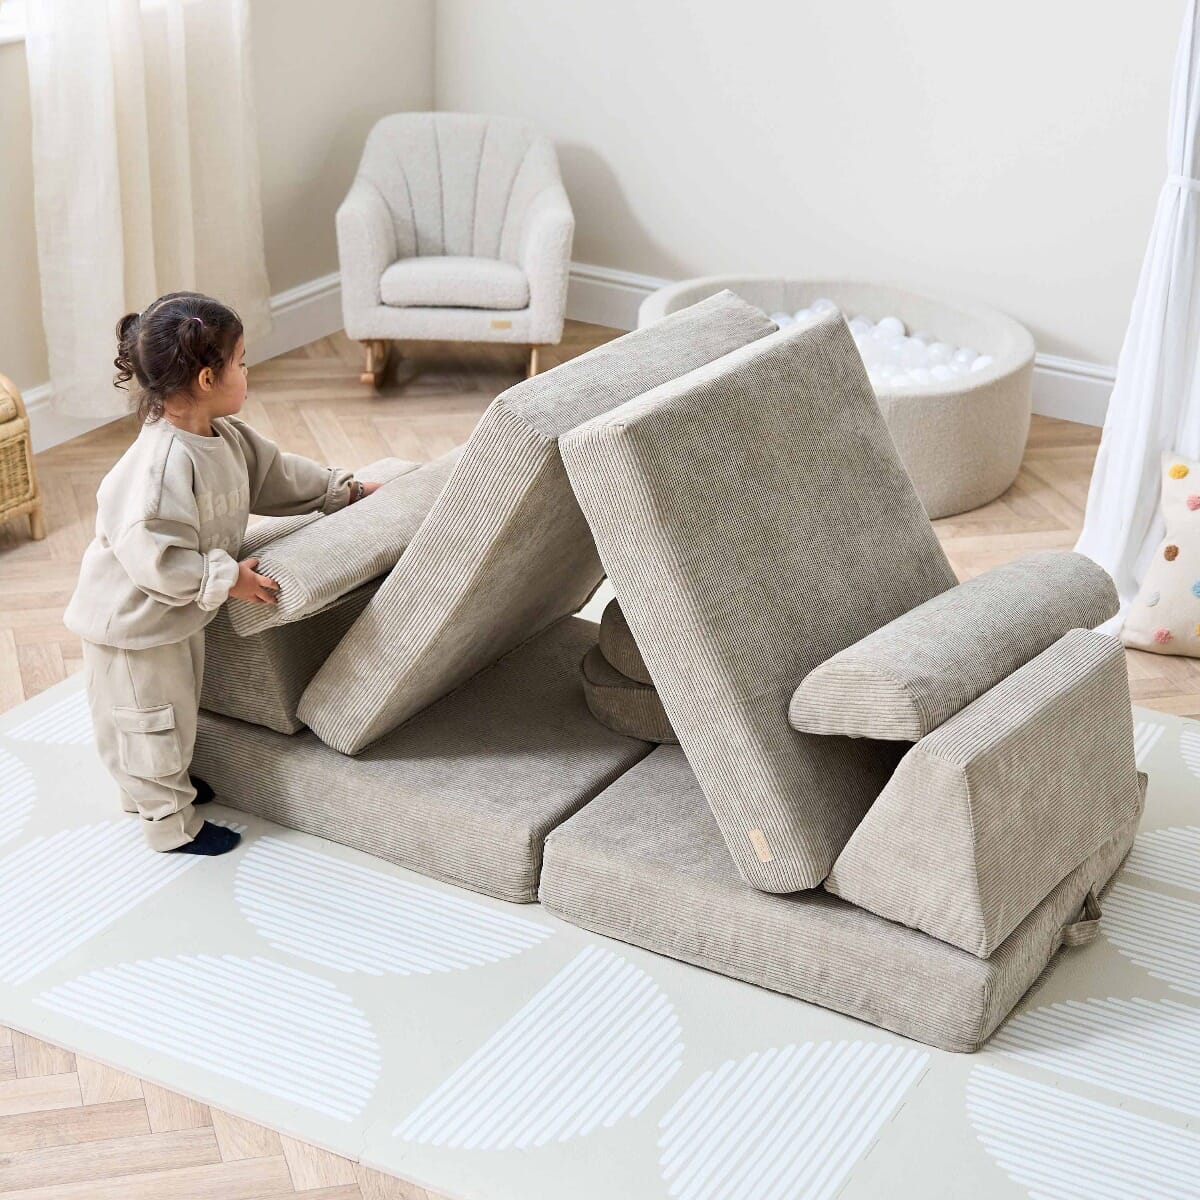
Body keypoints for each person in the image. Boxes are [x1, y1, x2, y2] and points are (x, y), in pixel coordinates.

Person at [64, 291, 379, 856]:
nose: (247, 371)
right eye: (240, 362)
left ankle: (159, 789)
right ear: (208, 379)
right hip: (131, 623)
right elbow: (154, 558)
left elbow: (277, 476)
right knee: (148, 720)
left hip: (177, 613)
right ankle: (167, 823)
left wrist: (344, 490)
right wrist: (229, 576)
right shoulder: (158, 467)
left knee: (176, 712)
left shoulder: (225, 437)